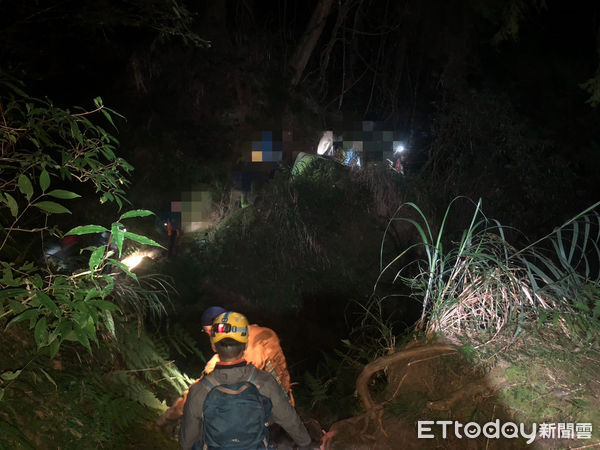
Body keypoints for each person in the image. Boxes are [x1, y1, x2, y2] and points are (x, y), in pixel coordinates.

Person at [179, 312, 313, 450]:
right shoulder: (265, 382)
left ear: (214, 346)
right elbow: (289, 420)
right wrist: (306, 443)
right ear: (245, 345)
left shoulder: (200, 390)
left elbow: (186, 442)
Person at [157, 306, 295, 426]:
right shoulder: (255, 336)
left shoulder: (253, 344)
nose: (212, 340)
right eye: (209, 334)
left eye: (213, 333)